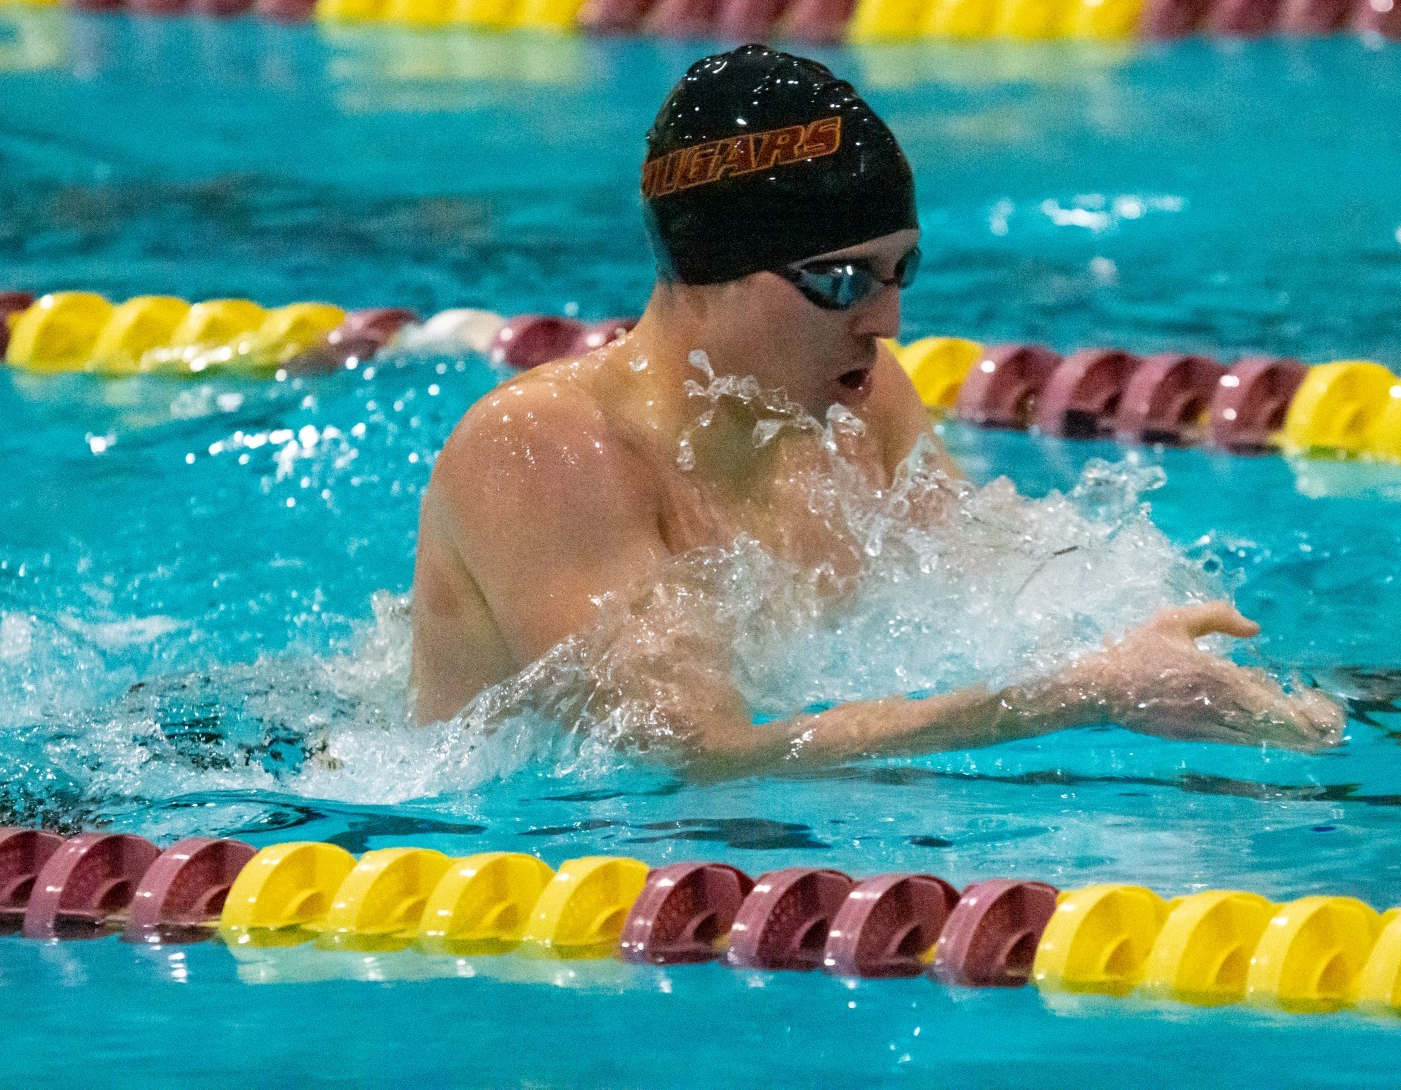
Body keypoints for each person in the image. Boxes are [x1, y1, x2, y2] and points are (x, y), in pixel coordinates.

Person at [409, 44, 1342, 777]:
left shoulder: (858, 405)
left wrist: (1174, 659)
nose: (887, 323)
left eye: (902, 271)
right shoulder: (544, 452)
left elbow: (982, 595)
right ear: (717, 269)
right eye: (844, 279)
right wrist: (1083, 696)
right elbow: (693, 763)